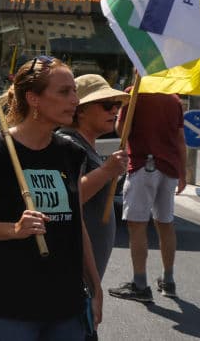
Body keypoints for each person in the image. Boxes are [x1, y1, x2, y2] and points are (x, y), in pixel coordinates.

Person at [0, 56, 102, 340]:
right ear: (33, 99)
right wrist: (14, 229)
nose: (75, 100)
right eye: (64, 92)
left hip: (66, 307)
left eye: (74, 91)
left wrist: (95, 286)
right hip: (6, 307)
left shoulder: (72, 154)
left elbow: (77, 226)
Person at [108, 91, 186, 302]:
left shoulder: (134, 93)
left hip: (142, 166)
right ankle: (168, 280)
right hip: (169, 169)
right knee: (165, 223)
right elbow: (180, 140)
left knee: (137, 225)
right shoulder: (174, 99)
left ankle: (140, 285)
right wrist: (183, 174)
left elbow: (122, 130)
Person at [57, 74, 129, 279]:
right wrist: (107, 171)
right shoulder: (68, 144)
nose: (114, 110)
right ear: (81, 110)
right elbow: (67, 198)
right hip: (74, 267)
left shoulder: (84, 145)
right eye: (107, 105)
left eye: (116, 105)